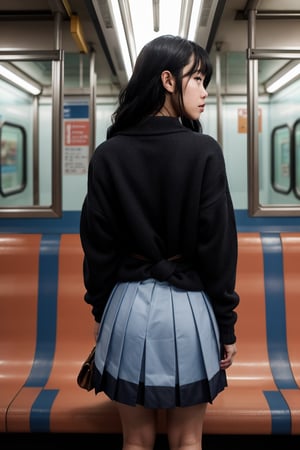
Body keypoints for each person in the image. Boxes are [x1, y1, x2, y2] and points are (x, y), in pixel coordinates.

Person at [80, 34, 239, 450]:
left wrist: (102, 310)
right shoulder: (204, 151)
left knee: (135, 439)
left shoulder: (108, 154)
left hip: (125, 312)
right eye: (198, 79)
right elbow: (218, 248)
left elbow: (97, 247)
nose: (205, 92)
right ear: (168, 80)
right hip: (190, 313)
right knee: (188, 439)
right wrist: (226, 326)